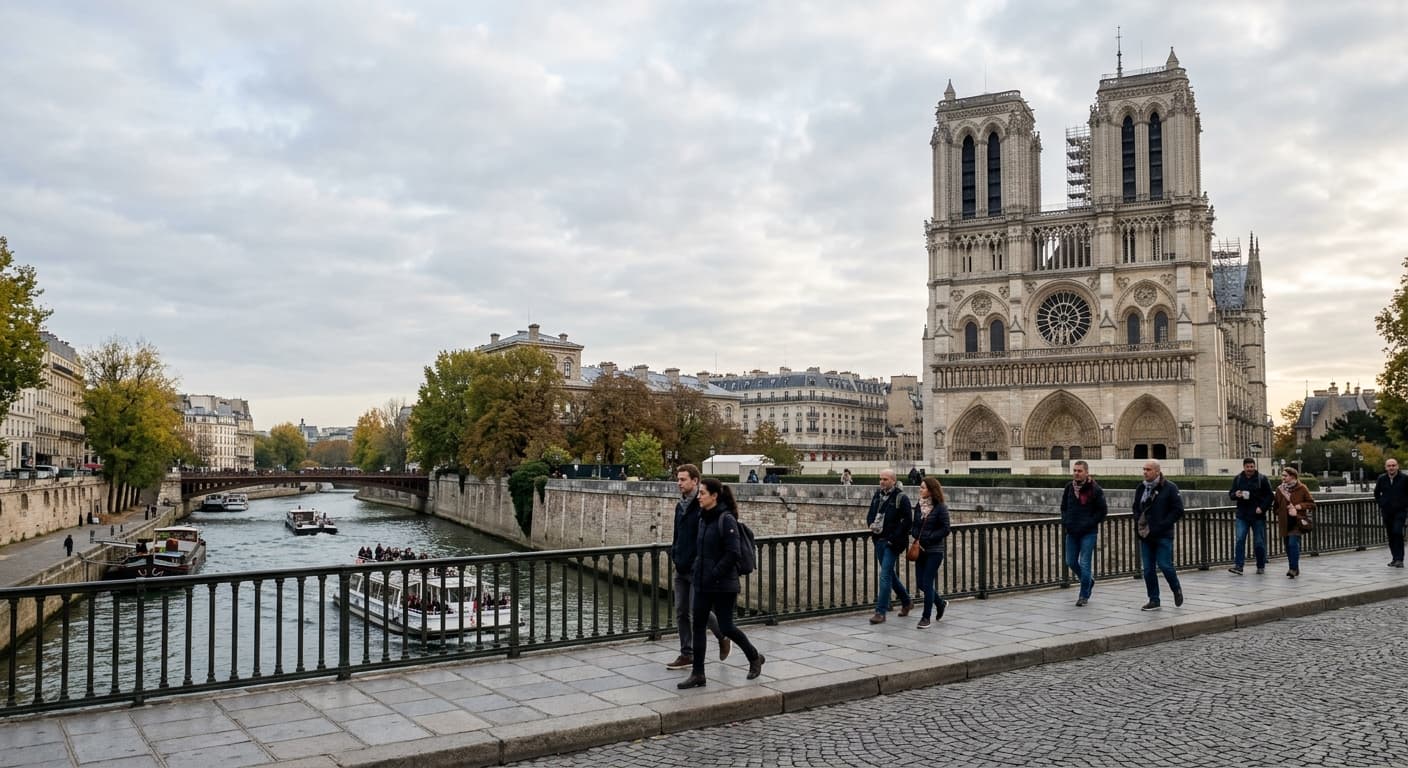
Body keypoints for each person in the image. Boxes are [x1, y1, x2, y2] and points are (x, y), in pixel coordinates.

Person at [676, 478, 764, 689]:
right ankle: (698, 674)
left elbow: (732, 553)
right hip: (703, 582)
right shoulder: (703, 519)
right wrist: (697, 569)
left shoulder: (726, 520)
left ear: (714, 496)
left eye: (703, 493)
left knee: (726, 626)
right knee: (698, 626)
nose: (699, 496)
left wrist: (714, 573)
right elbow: (701, 549)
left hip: (723, 584)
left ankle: (754, 657)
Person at [665, 464, 726, 670]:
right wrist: (675, 553)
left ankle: (722, 634)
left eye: (683, 479)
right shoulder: (679, 506)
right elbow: (677, 535)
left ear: (695, 481)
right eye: (678, 479)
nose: (679, 483)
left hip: (696, 567)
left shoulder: (701, 506)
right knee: (681, 611)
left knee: (696, 609)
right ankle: (686, 653)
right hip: (680, 565)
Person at [1133, 460, 1184, 610]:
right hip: (1146, 534)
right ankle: (1154, 599)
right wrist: (1138, 521)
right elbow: (1136, 507)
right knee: (1148, 569)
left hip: (1163, 534)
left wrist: (1162, 524)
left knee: (1165, 565)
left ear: (1157, 471)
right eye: (1144, 469)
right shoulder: (1141, 487)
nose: (1145, 472)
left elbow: (1178, 510)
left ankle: (1176, 589)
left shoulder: (1170, 487)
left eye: (1148, 469)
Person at [866, 469, 913, 623]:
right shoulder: (877, 496)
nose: (882, 482)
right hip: (878, 539)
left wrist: (892, 539)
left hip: (892, 543)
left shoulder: (901, 498)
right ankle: (906, 601)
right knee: (889, 575)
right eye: (880, 479)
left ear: (893, 480)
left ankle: (880, 612)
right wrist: (871, 524)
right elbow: (871, 514)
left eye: (885, 479)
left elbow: (907, 522)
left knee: (885, 574)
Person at [1060, 460, 1107, 606]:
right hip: (1072, 531)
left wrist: (1088, 523)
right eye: (1074, 470)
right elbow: (1063, 507)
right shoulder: (1069, 487)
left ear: (1086, 472)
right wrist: (1066, 520)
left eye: (1079, 471)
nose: (1076, 473)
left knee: (1085, 563)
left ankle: (1083, 595)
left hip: (1088, 532)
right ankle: (1089, 581)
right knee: (1071, 562)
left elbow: (1102, 511)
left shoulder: (1095, 489)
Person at [911, 477, 951, 628]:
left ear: (931, 490)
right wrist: (916, 534)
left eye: (922, 487)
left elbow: (946, 529)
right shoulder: (918, 506)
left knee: (927, 583)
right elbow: (914, 525)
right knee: (921, 583)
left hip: (934, 551)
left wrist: (929, 537)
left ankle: (925, 617)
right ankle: (940, 604)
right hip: (920, 549)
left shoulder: (941, 508)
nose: (920, 490)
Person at [1228, 458, 1274, 575]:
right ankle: (1238, 566)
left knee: (1259, 542)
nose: (1250, 469)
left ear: (1254, 466)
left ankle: (1260, 565)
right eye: (1248, 467)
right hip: (1242, 515)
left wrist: (1262, 508)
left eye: (1251, 467)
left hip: (1257, 516)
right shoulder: (1238, 479)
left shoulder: (1262, 479)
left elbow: (1270, 496)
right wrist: (1236, 494)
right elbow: (1231, 494)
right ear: (1244, 467)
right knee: (1239, 540)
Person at [1274, 466, 1315, 578]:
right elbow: (1275, 507)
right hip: (1285, 522)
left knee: (1293, 544)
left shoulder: (1302, 488)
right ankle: (1294, 568)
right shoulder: (1279, 489)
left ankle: (1292, 568)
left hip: (1297, 521)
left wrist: (1298, 507)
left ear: (1292, 477)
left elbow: (1312, 504)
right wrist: (1281, 512)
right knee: (1287, 546)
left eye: (1285, 475)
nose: (1282, 477)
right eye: (1282, 475)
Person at [1374, 458, 1408, 567]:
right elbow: (1376, 493)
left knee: (1397, 532)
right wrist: (1382, 503)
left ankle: (1400, 559)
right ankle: (1394, 558)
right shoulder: (1382, 479)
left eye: (1393, 465)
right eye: (1389, 466)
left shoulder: (1404, 479)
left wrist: (1405, 505)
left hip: (1400, 511)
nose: (1391, 468)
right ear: (1386, 468)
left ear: (1397, 466)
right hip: (1387, 511)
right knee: (1391, 534)